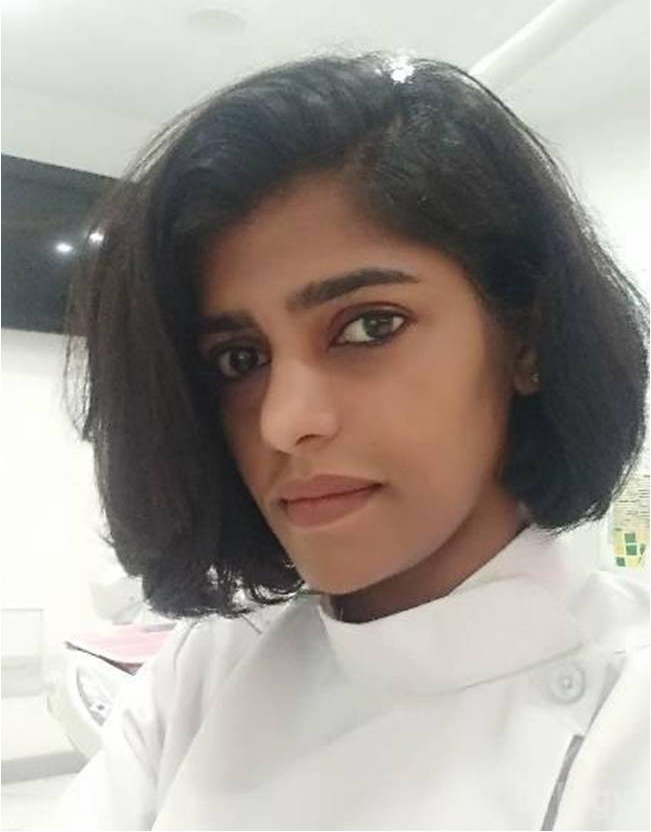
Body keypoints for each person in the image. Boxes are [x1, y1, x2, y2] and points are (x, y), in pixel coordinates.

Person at [56, 52, 649, 830]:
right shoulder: (205, 675)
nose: (284, 421)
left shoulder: (629, 707)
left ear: (527, 338)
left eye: (369, 326)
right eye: (239, 361)